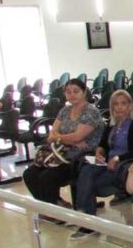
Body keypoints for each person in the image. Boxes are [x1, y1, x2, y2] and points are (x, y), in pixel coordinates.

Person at [71, 89, 133, 240]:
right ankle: (86, 218)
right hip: (108, 166)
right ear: (112, 108)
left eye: (123, 104)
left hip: (125, 168)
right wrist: (100, 151)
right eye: (116, 104)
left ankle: (85, 220)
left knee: (87, 181)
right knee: (85, 171)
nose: (119, 107)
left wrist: (118, 159)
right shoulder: (112, 126)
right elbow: (104, 145)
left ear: (130, 106)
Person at [23, 79, 104, 210]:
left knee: (47, 176)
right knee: (29, 174)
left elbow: (77, 137)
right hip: (59, 154)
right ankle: (54, 204)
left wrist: (59, 138)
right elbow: (52, 135)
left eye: (76, 91)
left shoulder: (91, 112)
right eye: (68, 92)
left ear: (84, 92)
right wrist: (66, 139)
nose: (72, 95)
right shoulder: (65, 110)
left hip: (81, 157)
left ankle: (54, 208)